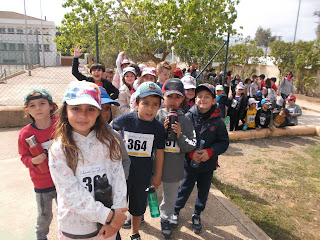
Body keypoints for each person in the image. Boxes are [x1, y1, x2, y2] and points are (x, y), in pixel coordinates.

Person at [49, 81, 127, 240]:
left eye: (90, 109)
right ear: (65, 111)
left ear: (99, 112)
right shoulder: (59, 149)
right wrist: (108, 216)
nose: (83, 115)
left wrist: (117, 213)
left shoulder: (109, 143)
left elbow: (118, 178)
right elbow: (71, 193)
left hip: (107, 227)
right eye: (76, 108)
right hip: (75, 229)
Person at [112, 82, 165, 240]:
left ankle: (134, 233)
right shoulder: (125, 120)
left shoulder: (158, 128)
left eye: (155, 104)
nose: (150, 109)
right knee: (118, 206)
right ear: (136, 103)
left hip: (142, 176)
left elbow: (160, 153)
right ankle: (115, 233)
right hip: (121, 174)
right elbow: (110, 131)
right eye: (145, 103)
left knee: (138, 207)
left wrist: (157, 176)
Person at [173, 83, 229, 234]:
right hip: (189, 164)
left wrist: (210, 152)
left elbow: (224, 142)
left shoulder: (218, 121)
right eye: (199, 96)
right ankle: (175, 211)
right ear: (195, 99)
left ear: (213, 100)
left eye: (207, 97)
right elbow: (181, 139)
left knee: (203, 192)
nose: (203, 99)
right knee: (184, 189)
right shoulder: (187, 117)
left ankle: (197, 214)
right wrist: (190, 153)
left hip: (208, 166)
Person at [155, 79, 197, 239]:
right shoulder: (157, 115)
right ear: (163, 96)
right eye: (169, 96)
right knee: (145, 191)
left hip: (174, 166)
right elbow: (150, 139)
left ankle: (165, 218)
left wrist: (179, 135)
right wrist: (161, 130)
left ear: (183, 99)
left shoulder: (185, 119)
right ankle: (137, 214)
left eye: (177, 97)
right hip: (154, 165)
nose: (173, 101)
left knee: (170, 196)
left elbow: (191, 145)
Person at [18, 88, 58, 240]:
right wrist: (33, 161)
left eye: (42, 103)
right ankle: (40, 236)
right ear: (27, 110)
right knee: (44, 216)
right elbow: (23, 157)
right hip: (42, 183)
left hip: (63, 178)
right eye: (32, 105)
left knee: (65, 212)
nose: (38, 108)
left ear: (51, 106)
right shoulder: (25, 134)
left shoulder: (60, 124)